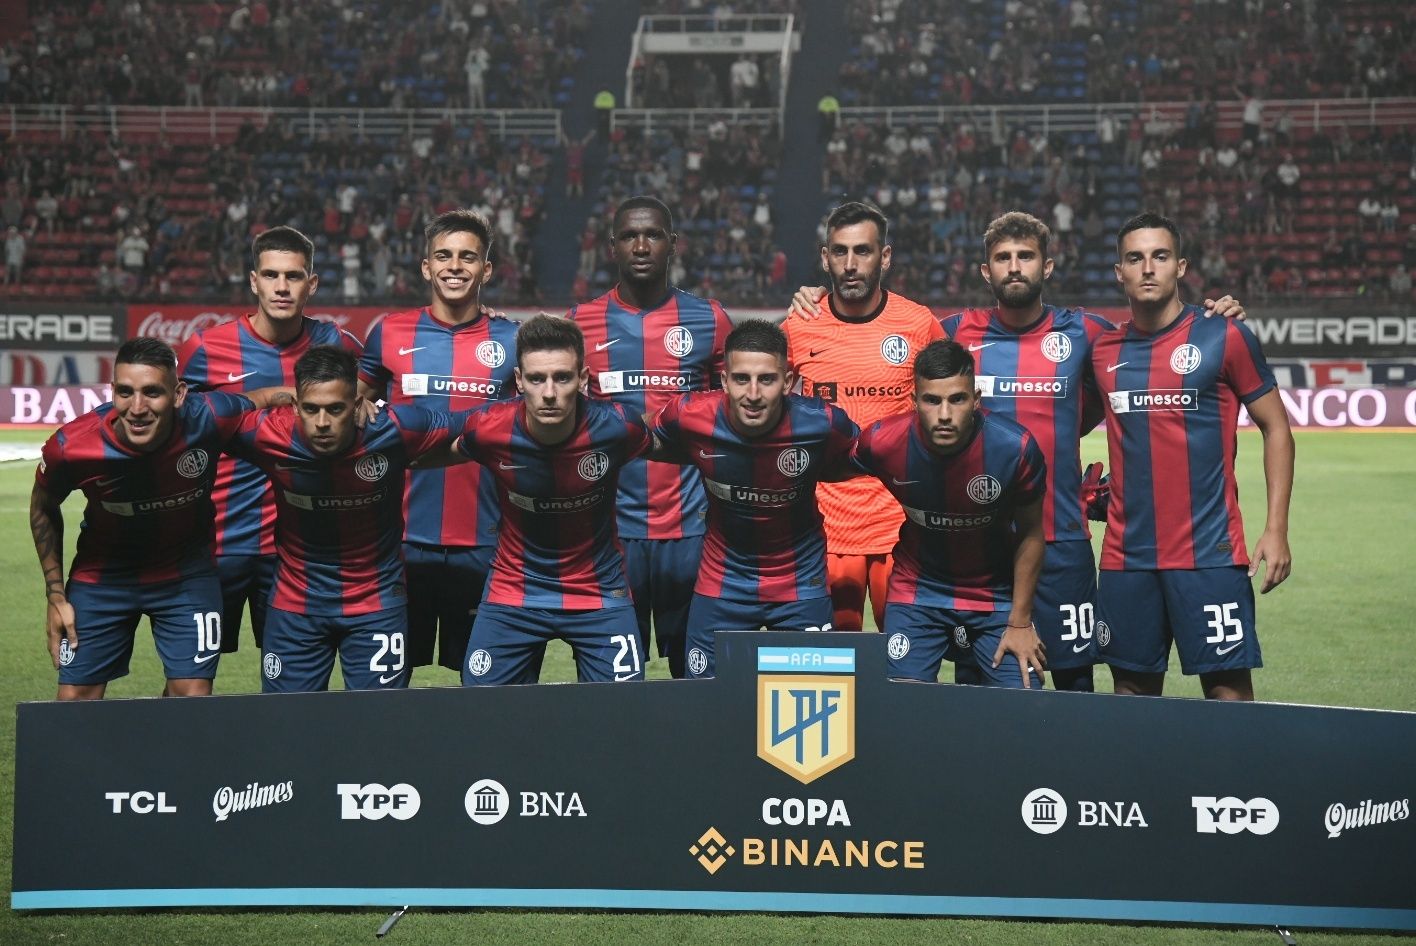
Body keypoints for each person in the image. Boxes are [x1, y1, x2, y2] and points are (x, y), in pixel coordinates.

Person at [1092, 212, 1293, 701]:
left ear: (1180, 266)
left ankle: (1233, 766)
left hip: (1210, 555)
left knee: (1228, 695)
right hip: (1126, 557)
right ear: (1119, 272)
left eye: (1160, 256)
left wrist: (1276, 529)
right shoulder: (1101, 349)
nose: (1148, 268)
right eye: (1135, 258)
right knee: (1130, 694)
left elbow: (1277, 429)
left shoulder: (1224, 335)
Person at [30, 337, 288, 701]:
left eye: (152, 392)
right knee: (74, 701)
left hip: (186, 576)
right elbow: (42, 506)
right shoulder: (71, 446)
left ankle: (160, 735)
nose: (137, 408)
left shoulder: (209, 416)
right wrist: (56, 596)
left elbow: (262, 397)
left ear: (179, 394)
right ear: (112, 391)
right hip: (103, 578)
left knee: (191, 698)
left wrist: (344, 400)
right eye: (125, 392)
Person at [429, 315, 651, 686]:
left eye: (562, 378)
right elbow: (417, 441)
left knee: (622, 712)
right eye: (536, 379)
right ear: (518, 380)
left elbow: (678, 441)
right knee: (479, 708)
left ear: (583, 378)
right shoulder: (489, 428)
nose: (549, 392)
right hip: (513, 589)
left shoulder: (617, 427)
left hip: (599, 592)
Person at [229, 346, 464, 694]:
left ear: (356, 405)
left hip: (377, 604)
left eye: (336, 409)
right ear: (295, 407)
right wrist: (266, 395)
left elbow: (479, 423)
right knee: (286, 720)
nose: (322, 423)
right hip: (296, 605)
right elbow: (201, 416)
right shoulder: (269, 433)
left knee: (377, 720)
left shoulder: (393, 428)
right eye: (311, 409)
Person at [178, 226, 362, 669]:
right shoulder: (205, 348)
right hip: (216, 543)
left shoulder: (337, 345)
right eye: (271, 275)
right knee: (189, 680)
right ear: (253, 281)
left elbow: (389, 386)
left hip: (295, 553)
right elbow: (176, 429)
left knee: (290, 676)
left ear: (311, 284)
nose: (282, 287)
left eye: (293, 276)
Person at [569, 196, 734, 678]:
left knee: (699, 680)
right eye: (629, 236)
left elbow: (737, 414)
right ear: (612, 247)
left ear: (673, 244)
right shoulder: (580, 322)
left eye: (653, 235)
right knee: (614, 686)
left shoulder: (709, 320)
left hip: (694, 532)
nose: (641, 246)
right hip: (610, 534)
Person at [649, 319, 860, 679]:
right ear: (724, 381)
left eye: (767, 379)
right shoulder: (690, 415)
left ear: (788, 382)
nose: (753, 393)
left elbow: (870, 457)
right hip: (722, 583)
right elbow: (633, 436)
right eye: (741, 378)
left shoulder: (823, 423)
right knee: (706, 701)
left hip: (801, 585)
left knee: (810, 699)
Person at [358, 209, 519, 679]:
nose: (455, 266)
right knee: (386, 685)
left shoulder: (513, 339)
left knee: (484, 687)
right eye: (443, 256)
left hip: (487, 542)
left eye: (468, 257)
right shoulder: (389, 332)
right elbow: (354, 410)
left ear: (485, 270)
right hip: (399, 541)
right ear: (426, 267)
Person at [783, 201, 945, 634]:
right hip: (825, 531)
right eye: (840, 251)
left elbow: (955, 410)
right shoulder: (800, 325)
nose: (851, 264)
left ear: (884, 256)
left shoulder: (918, 324)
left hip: (903, 530)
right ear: (825, 258)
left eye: (863, 251)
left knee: (905, 661)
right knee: (834, 664)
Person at [851, 339, 1048, 688]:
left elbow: (1031, 533)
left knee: (1024, 706)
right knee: (901, 702)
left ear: (976, 399)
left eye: (957, 399)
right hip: (917, 592)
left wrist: (1020, 622)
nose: (944, 414)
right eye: (932, 400)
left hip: (996, 596)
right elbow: (827, 466)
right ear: (914, 401)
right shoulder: (882, 442)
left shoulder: (1014, 448)